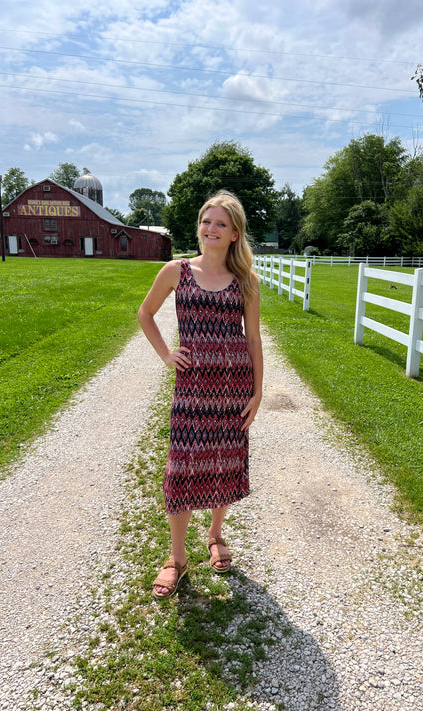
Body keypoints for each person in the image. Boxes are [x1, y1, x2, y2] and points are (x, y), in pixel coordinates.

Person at [138, 190, 263, 599]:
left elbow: (254, 338)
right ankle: (176, 558)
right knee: (182, 469)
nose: (211, 229)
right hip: (192, 391)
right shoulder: (177, 271)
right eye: (206, 221)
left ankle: (215, 534)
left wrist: (258, 393)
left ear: (234, 234)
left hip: (233, 390)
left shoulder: (246, 280)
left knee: (224, 465)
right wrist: (166, 355)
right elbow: (145, 313)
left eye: (221, 224)